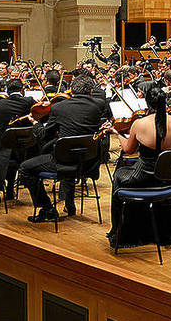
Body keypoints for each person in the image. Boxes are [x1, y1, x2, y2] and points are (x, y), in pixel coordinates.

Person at [18, 75, 110, 223]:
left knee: (25, 168)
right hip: (88, 162)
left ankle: (47, 208)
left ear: (71, 90)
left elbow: (43, 134)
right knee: (71, 151)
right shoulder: (99, 104)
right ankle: (69, 205)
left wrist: (36, 123)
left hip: (63, 161)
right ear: (91, 91)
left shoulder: (58, 107)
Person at [105, 86, 171, 249]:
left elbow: (128, 149)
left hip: (144, 177)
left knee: (119, 173)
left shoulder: (139, 124)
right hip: (169, 178)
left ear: (147, 103)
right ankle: (167, 232)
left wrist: (117, 133)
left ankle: (124, 232)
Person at [0, 78, 36, 205]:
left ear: (7, 91)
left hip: (2, 149)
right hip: (24, 150)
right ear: (22, 90)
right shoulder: (29, 102)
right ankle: (9, 190)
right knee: (11, 158)